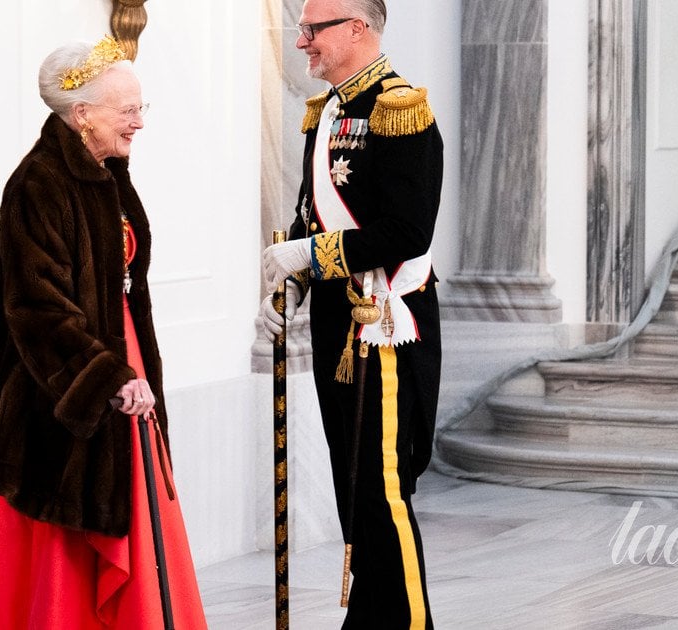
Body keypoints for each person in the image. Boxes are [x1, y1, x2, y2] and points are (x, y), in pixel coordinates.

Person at [0, 36, 206, 629]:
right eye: (128, 110)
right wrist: (108, 377)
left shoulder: (106, 172)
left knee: (124, 509)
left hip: (116, 364)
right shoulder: (37, 183)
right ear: (82, 114)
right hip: (56, 390)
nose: (139, 122)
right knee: (47, 546)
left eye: (140, 108)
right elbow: (36, 308)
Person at [261, 0, 443, 627]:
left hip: (385, 323)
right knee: (354, 486)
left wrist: (309, 255)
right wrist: (293, 285)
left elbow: (407, 232)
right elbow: (311, 214)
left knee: (383, 489)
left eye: (313, 29)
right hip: (338, 321)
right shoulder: (329, 112)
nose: (302, 41)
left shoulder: (400, 110)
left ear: (357, 28)